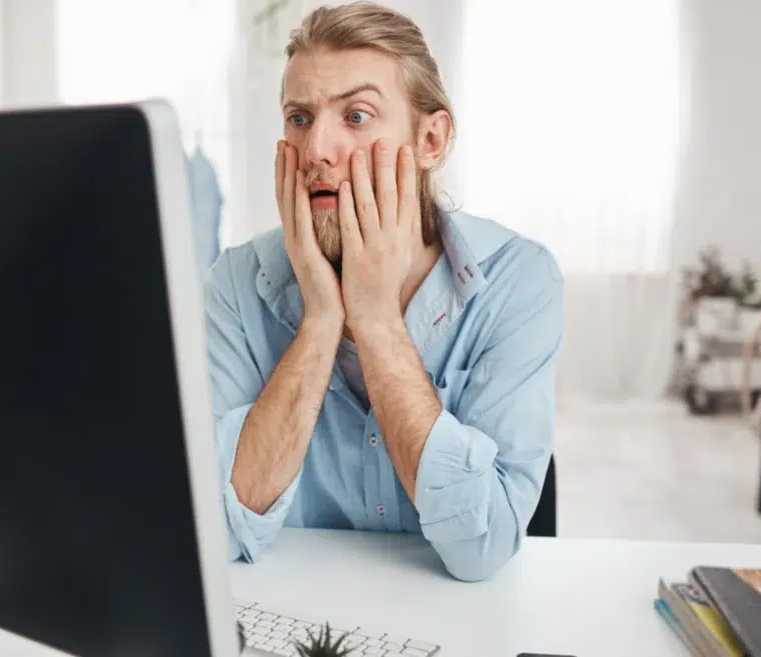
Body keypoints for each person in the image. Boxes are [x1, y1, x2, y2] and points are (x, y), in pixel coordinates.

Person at [204, 1, 564, 582]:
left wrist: (375, 320)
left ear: (431, 140)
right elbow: (212, 532)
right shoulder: (236, 285)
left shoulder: (518, 281)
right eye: (300, 118)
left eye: (356, 116)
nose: (316, 150)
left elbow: (482, 550)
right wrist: (321, 321)